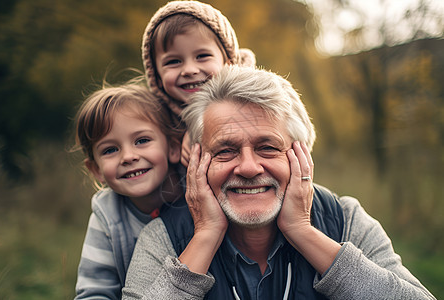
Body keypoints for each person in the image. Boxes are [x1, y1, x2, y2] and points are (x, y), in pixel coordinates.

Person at [122, 66, 436, 299]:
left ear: (300, 156)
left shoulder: (345, 219)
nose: (247, 167)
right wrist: (204, 236)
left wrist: (303, 232)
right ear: (199, 162)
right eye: (226, 151)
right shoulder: (165, 236)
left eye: (268, 147)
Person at [73, 80, 184, 299]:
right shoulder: (108, 216)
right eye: (110, 150)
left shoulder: (196, 193)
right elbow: (95, 291)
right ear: (96, 169)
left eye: (142, 140)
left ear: (172, 147)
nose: (128, 156)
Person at [141, 0, 255, 166]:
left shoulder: (254, 98)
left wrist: (199, 127)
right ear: (156, 76)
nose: (189, 70)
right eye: (173, 61)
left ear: (228, 63)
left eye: (202, 56)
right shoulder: (156, 118)